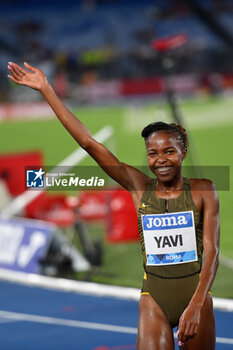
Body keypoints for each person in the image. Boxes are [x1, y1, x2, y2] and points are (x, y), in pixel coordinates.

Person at [8, 62, 220, 350]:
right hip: (154, 301)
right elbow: (88, 143)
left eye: (169, 151)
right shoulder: (139, 188)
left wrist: (196, 305)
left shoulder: (203, 190)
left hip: (195, 297)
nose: (161, 159)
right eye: (153, 153)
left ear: (182, 153)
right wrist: (47, 90)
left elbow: (212, 253)